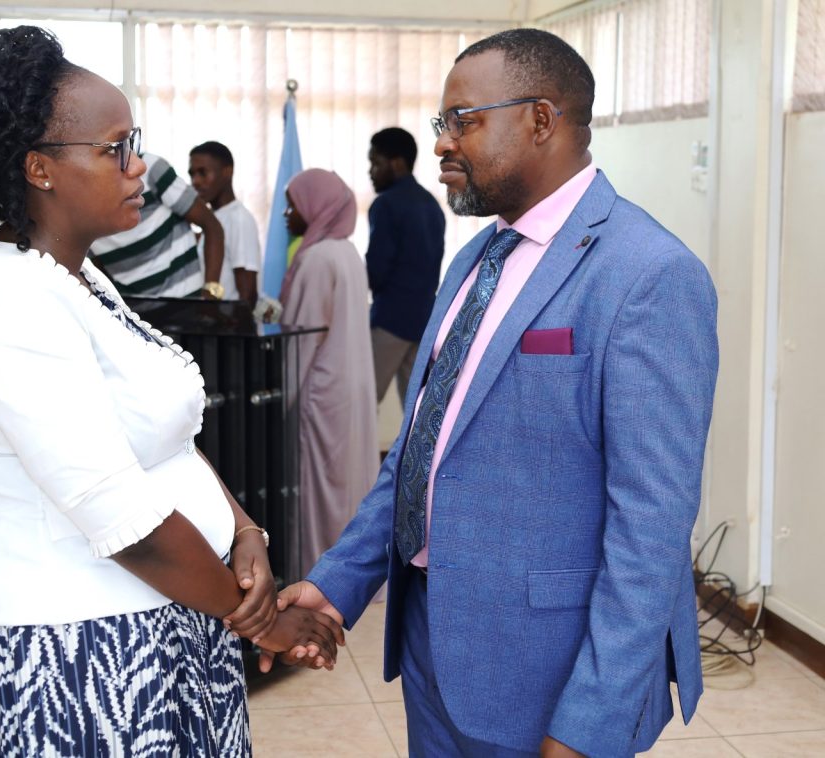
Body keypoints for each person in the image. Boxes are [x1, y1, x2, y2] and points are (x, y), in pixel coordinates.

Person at [267, 28, 719, 758]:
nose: (442, 143)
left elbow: (652, 531)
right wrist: (337, 582)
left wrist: (591, 723)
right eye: (441, 123)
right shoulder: (476, 258)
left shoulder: (647, 274)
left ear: (542, 119)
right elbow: (418, 455)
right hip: (431, 646)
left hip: (547, 674)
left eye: (462, 121)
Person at [0, 26, 341, 757]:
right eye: (115, 148)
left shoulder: (81, 279)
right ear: (40, 169)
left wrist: (245, 530)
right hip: (74, 657)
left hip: (162, 624)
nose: (140, 169)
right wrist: (263, 621)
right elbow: (125, 518)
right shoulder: (8, 299)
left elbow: (167, 444)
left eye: (137, 143)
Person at [279, 168, 378, 578]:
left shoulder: (317, 258)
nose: (287, 215)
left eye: (294, 204)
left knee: (319, 488)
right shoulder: (347, 251)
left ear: (316, 208)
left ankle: (320, 573)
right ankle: (353, 573)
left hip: (321, 389)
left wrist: (283, 399)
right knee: (349, 485)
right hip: (351, 384)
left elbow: (301, 339)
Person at [365, 128, 445, 407]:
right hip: (424, 319)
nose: (370, 171)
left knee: (361, 404)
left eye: (375, 162)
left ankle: (354, 454)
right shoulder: (431, 204)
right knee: (418, 411)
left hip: (390, 321)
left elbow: (377, 268)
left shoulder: (385, 205)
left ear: (396, 163)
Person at [89, 149, 227, 300]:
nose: (138, 165)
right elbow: (96, 270)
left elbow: (212, 225)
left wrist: (210, 296)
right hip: (135, 314)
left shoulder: (150, 168)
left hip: (187, 306)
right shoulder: (76, 203)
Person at [188, 141, 261, 308]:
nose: (196, 181)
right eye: (192, 174)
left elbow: (248, 293)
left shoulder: (239, 219)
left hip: (229, 328)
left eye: (203, 173)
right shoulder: (212, 220)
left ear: (227, 172)